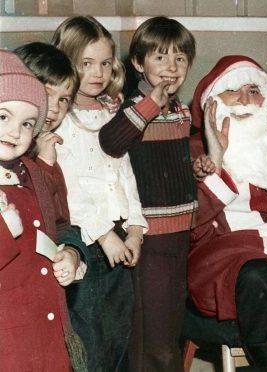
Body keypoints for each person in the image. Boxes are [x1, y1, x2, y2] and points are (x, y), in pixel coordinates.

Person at [97, 16, 196, 372]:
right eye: (160, 57)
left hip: (180, 232)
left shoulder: (180, 110)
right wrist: (149, 104)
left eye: (180, 58)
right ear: (138, 63)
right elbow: (110, 142)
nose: (171, 67)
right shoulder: (135, 108)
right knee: (153, 332)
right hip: (149, 234)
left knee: (169, 324)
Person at [188, 55, 267, 371]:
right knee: (257, 273)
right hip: (221, 258)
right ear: (213, 103)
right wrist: (216, 160)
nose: (246, 100)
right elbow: (189, 228)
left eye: (254, 90)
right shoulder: (192, 150)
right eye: (233, 91)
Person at [51, 16, 148, 372]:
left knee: (120, 334)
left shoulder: (111, 112)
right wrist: (104, 235)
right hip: (87, 239)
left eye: (106, 63)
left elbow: (126, 175)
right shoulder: (62, 119)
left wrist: (136, 228)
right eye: (86, 63)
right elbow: (67, 186)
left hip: (119, 236)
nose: (98, 73)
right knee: (90, 338)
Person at [0, 49, 85, 372]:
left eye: (27, 123)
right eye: (3, 117)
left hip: (46, 333)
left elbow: (61, 225)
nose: (15, 132)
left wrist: (73, 254)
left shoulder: (32, 172)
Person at [13, 41, 88, 281]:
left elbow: (60, 223)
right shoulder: (10, 153)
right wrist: (44, 164)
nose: (54, 109)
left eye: (64, 99)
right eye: (46, 95)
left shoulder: (50, 152)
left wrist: (73, 252)